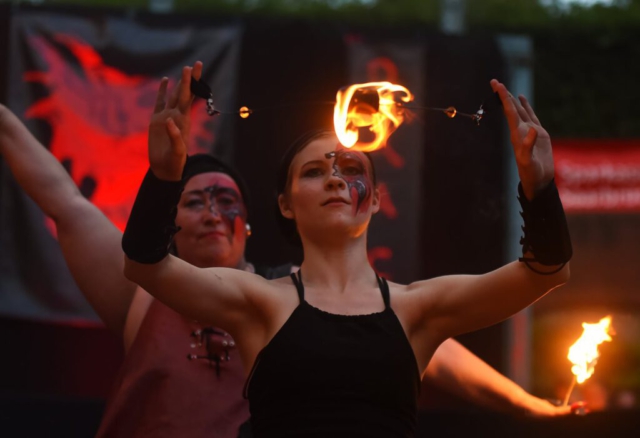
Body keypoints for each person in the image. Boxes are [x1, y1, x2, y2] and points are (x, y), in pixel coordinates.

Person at [121, 61, 572, 437]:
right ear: (286, 203)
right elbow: (145, 264)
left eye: (351, 168)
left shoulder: (417, 308)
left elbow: (548, 271)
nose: (336, 179)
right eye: (314, 172)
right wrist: (163, 175)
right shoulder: (257, 300)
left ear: (375, 199)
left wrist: (540, 188)